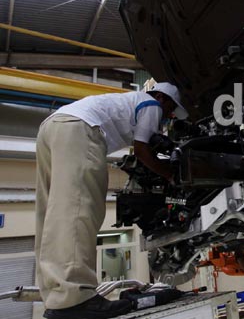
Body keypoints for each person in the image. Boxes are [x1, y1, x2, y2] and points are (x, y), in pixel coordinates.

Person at [35, 82, 187, 319]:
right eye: (170, 109)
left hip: (52, 127)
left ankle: (56, 295)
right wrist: (171, 176)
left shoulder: (130, 102)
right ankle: (75, 299)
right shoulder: (151, 104)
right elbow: (142, 151)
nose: (168, 116)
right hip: (79, 129)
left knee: (52, 214)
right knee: (79, 209)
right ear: (161, 97)